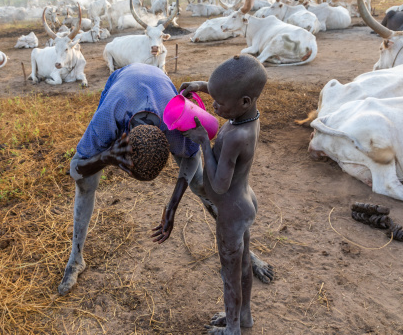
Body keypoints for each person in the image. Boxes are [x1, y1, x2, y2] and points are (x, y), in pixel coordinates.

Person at [58, 62, 273, 297]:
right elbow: (75, 171)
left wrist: (173, 205)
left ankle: (246, 252)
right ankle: (75, 260)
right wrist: (107, 157)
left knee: (201, 184)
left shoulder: (176, 121)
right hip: (123, 82)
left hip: (159, 85)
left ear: (167, 141)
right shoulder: (109, 118)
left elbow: (191, 159)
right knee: (86, 183)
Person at [180, 54, 267, 335]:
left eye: (220, 104)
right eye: (213, 99)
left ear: (244, 101)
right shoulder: (249, 115)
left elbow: (216, 186)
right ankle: (243, 316)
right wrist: (200, 86)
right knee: (243, 267)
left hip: (230, 211)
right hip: (245, 201)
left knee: (230, 275)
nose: (215, 107)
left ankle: (232, 334)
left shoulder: (234, 137)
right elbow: (227, 93)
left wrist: (204, 141)